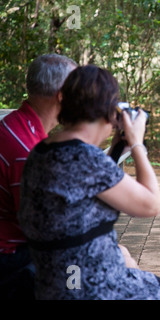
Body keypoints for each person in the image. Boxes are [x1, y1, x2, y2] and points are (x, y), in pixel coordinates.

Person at [17, 65, 160, 300]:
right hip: (93, 288)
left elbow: (87, 181)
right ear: (108, 112)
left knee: (131, 261)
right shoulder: (84, 158)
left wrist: (116, 148)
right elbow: (150, 205)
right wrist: (136, 145)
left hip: (56, 280)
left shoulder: (43, 151)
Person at [0, 54, 77, 299]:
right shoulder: (27, 150)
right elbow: (46, 228)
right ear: (62, 96)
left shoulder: (18, 125)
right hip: (11, 258)